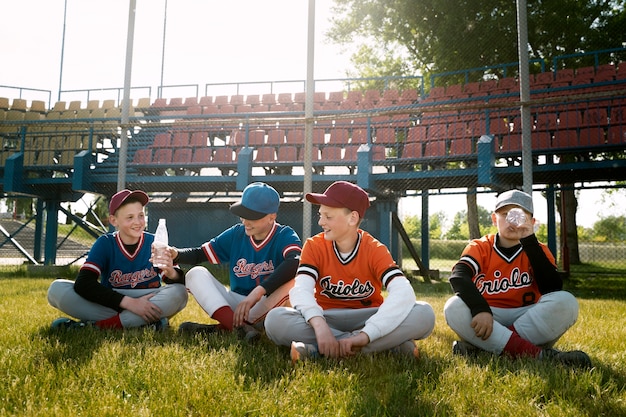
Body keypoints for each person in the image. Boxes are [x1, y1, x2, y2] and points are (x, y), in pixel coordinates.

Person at [265, 181, 436, 363]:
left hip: (368, 317)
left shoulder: (374, 248)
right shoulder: (314, 246)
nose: (321, 222)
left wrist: (365, 334)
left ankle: (319, 350)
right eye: (320, 215)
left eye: (328, 216)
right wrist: (320, 326)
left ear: (352, 218)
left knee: (424, 314)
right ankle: (385, 347)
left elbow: (403, 292)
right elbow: (301, 290)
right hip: (326, 317)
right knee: (275, 320)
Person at [443, 189, 592, 367]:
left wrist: (529, 240)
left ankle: (486, 349)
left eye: (520, 215)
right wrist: (480, 309)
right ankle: (540, 356)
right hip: (488, 315)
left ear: (532, 222)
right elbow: (458, 277)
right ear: (494, 219)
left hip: (527, 316)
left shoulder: (538, 249)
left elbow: (552, 288)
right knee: (453, 306)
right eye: (505, 214)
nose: (512, 221)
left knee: (566, 301)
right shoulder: (480, 246)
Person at [169, 182, 302, 339]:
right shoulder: (236, 234)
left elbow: (295, 262)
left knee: (294, 281)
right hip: (237, 305)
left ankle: (223, 329)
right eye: (243, 214)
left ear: (272, 217)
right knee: (195, 274)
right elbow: (200, 254)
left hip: (267, 304)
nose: (245, 221)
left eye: (252, 216)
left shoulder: (284, 234)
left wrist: (258, 292)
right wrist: (175, 254)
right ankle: (237, 328)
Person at [47, 189, 188, 329]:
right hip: (113, 301)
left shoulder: (154, 241)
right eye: (130, 217)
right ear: (114, 220)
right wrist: (131, 304)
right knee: (57, 289)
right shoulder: (106, 243)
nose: (137, 222)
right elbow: (84, 283)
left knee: (179, 292)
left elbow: (177, 282)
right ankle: (141, 323)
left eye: (141, 215)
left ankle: (98, 326)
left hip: (148, 299)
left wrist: (171, 272)